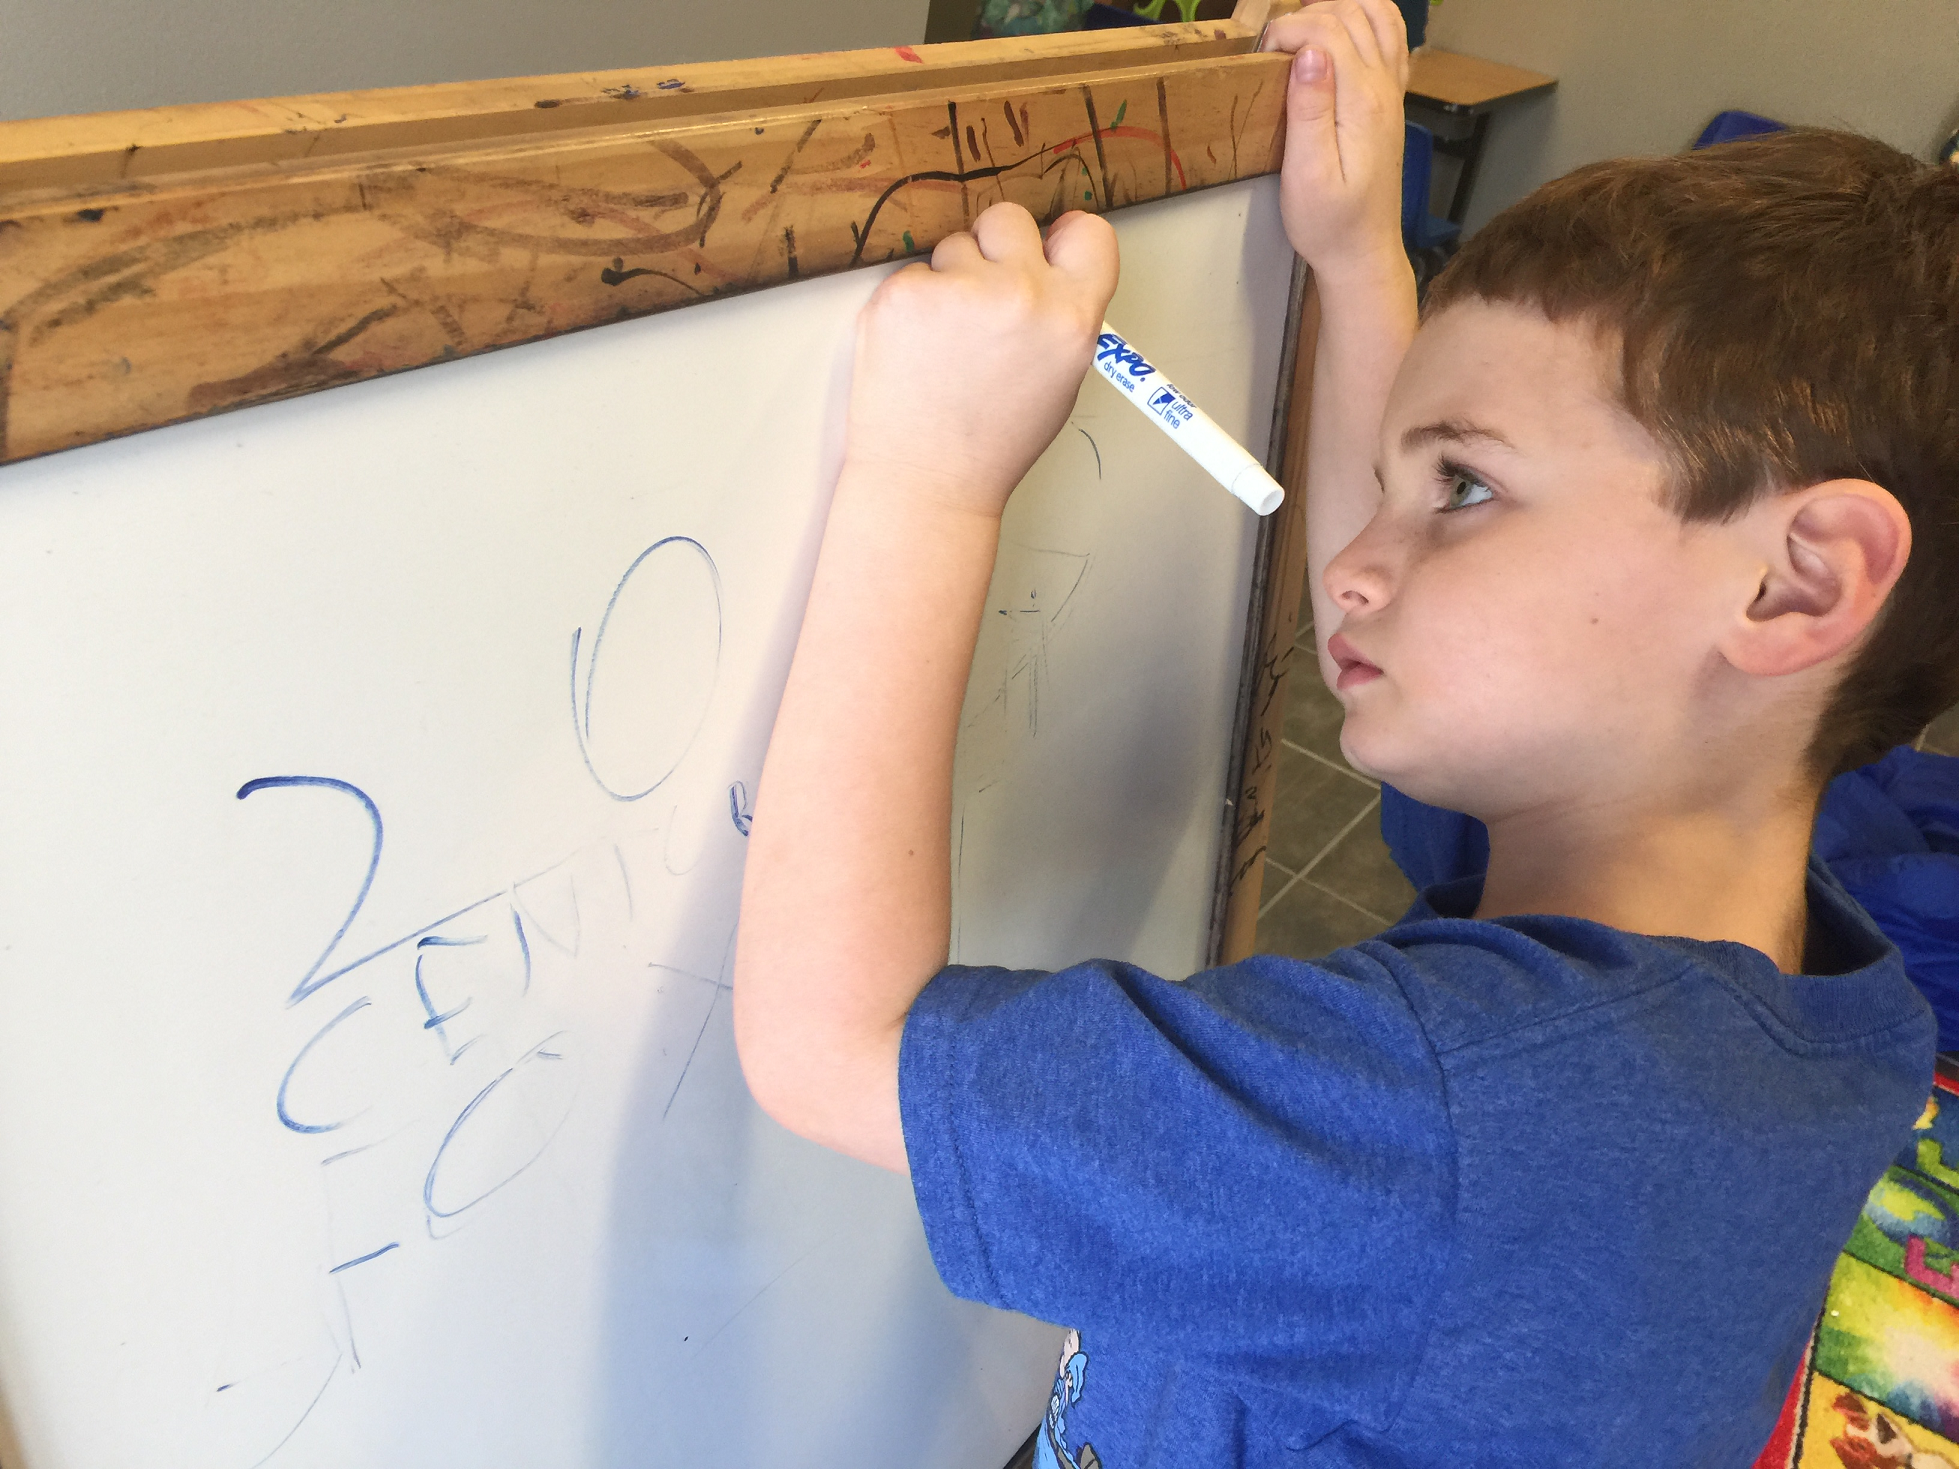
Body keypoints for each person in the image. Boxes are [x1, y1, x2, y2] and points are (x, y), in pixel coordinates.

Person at [730, 0, 1959, 1460]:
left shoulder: (1437, 1121)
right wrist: (1353, 247)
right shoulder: (1803, 998)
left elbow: (832, 1048)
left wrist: (930, 479)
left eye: (1464, 490)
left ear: (1794, 580)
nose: (1360, 566)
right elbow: (1375, 618)